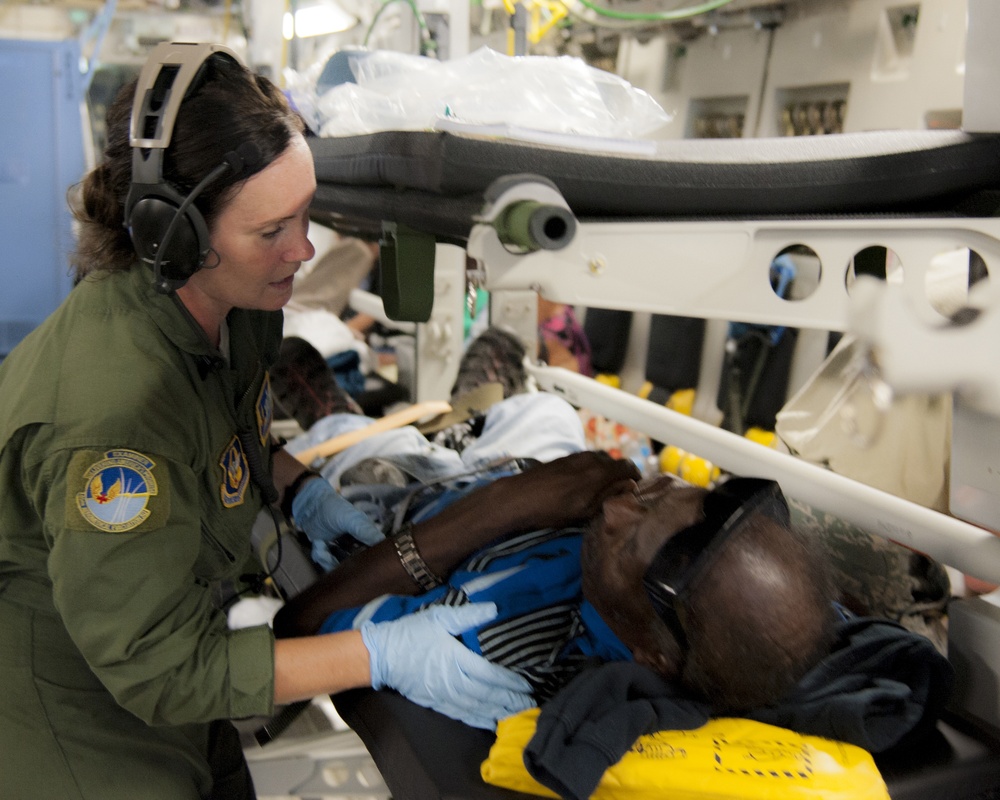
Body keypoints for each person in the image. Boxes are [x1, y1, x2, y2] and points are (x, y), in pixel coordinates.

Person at [0, 42, 546, 800]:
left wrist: (302, 489)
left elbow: (227, 427)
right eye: (272, 232)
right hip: (80, 715)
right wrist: (381, 654)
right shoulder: (114, 422)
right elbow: (160, 671)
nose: (305, 249)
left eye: (305, 214)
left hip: (175, 638)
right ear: (175, 235)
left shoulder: (235, 308)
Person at [275, 450, 840, 717]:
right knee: (539, 408)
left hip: (397, 496)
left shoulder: (497, 633)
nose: (621, 508)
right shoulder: (695, 598)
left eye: (632, 538)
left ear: (651, 655)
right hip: (484, 463)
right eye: (662, 491)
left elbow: (299, 628)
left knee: (354, 443)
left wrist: (504, 505)